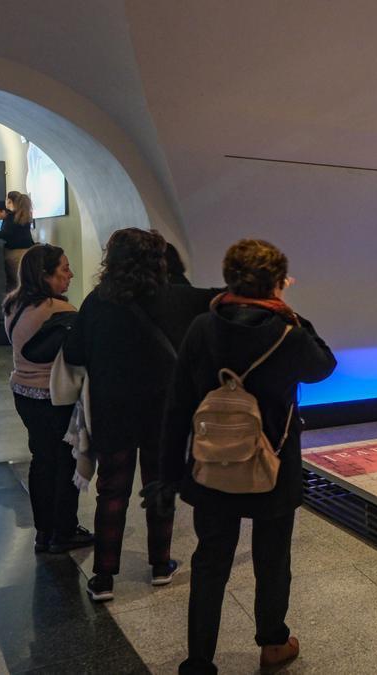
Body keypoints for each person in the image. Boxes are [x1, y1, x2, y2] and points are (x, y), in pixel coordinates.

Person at [149, 239, 336, 674]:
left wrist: (169, 474)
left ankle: (199, 659)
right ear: (275, 282)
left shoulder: (202, 328)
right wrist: (292, 314)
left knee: (210, 560)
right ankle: (272, 643)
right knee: (273, 559)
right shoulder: (288, 333)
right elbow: (324, 366)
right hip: (273, 464)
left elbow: (177, 405)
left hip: (211, 464)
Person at [61, 228, 190, 601]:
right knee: (159, 485)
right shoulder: (171, 301)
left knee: (112, 491)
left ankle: (103, 577)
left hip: (112, 410)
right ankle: (161, 564)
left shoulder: (97, 302)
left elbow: (74, 354)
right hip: (161, 412)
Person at [3, 244, 93, 554]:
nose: (70, 274)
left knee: (41, 461)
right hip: (55, 396)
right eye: (64, 269)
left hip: (23, 394)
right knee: (64, 462)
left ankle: (44, 531)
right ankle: (64, 531)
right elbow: (81, 351)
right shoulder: (60, 310)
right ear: (45, 275)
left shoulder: (12, 306)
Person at [0, 192, 36, 290]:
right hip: (27, 252)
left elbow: (5, 235)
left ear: (9, 201)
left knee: (17, 286)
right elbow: (7, 234)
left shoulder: (11, 217)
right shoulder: (21, 215)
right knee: (25, 284)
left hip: (15, 256)